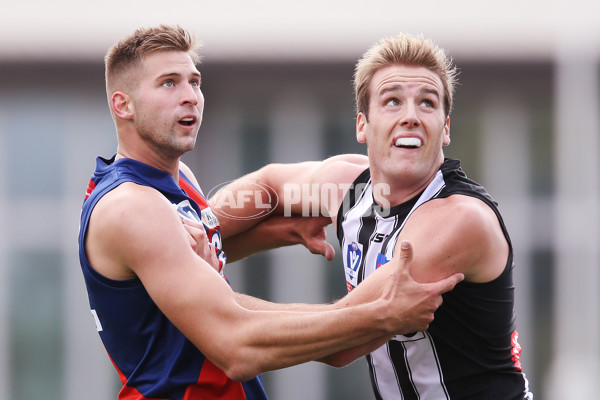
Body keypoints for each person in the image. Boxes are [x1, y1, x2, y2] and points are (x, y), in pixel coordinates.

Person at [76, 25, 464, 400]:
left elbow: (185, 259)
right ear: (122, 104)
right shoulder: (132, 207)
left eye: (194, 81)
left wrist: (275, 231)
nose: (190, 96)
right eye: (168, 83)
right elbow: (237, 347)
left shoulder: (175, 180)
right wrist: (386, 315)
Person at [212, 33, 534, 399]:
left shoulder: (456, 219)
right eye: (393, 101)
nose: (410, 116)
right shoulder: (352, 192)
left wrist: (193, 292)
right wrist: (201, 228)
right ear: (362, 126)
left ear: (444, 129)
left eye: (427, 103)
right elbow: (268, 188)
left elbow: (336, 341)